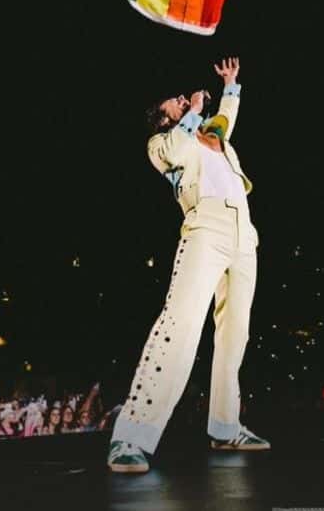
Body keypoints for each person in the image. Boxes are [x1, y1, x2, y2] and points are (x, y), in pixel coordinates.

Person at [108, 57, 270, 474]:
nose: (183, 100)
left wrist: (231, 86)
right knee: (178, 326)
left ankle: (226, 426)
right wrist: (193, 110)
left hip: (243, 233)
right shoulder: (162, 144)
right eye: (176, 102)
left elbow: (226, 119)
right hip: (205, 228)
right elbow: (176, 149)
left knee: (235, 334)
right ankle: (132, 434)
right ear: (164, 119)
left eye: (185, 99)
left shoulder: (212, 135)